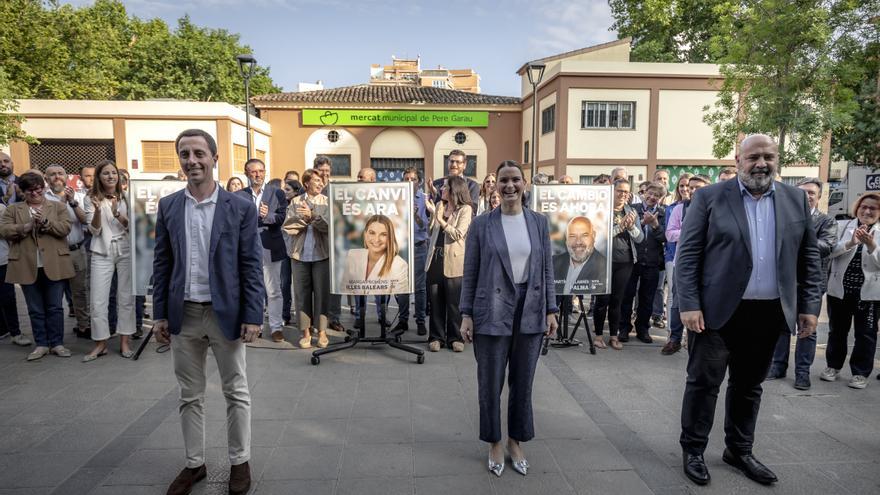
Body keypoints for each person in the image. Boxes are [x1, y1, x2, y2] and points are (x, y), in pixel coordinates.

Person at [676, 134, 821, 487]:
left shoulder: (794, 199)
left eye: (768, 157)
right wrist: (689, 304)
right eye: (754, 156)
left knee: (749, 386)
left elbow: (809, 256)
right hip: (715, 314)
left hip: (769, 313)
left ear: (776, 159)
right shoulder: (710, 197)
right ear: (738, 159)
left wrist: (809, 307)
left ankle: (739, 450)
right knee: (704, 384)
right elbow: (689, 254)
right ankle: (693, 450)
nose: (761, 163)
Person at [152, 129, 264, 495]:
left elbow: (250, 265)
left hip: (225, 313)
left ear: (215, 158)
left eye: (199, 153)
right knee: (190, 394)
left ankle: (240, 461)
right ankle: (194, 464)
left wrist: (253, 314)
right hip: (183, 313)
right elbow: (162, 263)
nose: (192, 160)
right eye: (185, 154)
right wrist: (159, 315)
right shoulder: (169, 206)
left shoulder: (240, 207)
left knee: (236, 390)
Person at [460, 160, 558, 477]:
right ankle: (494, 443)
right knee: (490, 383)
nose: (510, 186)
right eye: (503, 180)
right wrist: (466, 314)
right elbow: (470, 272)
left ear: (524, 183)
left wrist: (551, 309)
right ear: (495, 185)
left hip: (529, 309)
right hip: (491, 311)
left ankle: (516, 441)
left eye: (515, 179)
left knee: (523, 383)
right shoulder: (481, 224)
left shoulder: (540, 223)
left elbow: (546, 270)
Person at [768, 178, 837, 390]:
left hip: (810, 284)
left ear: (818, 197)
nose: (806, 196)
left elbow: (827, 246)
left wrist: (800, 238)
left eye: (811, 193)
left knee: (808, 329)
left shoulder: (826, 221)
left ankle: (802, 373)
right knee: (781, 326)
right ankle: (778, 366)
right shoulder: (785, 218)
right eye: (803, 192)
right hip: (785, 282)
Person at [0, 171, 74, 360]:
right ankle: (41, 344)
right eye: (30, 191)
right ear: (22, 191)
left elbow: (66, 228)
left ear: (44, 188)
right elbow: (4, 230)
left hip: (54, 263)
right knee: (34, 308)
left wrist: (46, 223)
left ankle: (57, 343)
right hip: (26, 263)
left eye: (38, 190)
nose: (34, 194)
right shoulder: (13, 209)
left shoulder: (57, 206)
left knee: (55, 307)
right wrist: (25, 227)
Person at [821, 192, 880, 390]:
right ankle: (833, 367)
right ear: (857, 208)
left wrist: (872, 245)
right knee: (837, 331)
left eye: (873, 208)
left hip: (869, 294)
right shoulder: (842, 226)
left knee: (866, 334)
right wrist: (851, 242)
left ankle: (860, 373)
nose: (867, 211)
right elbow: (829, 251)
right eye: (864, 206)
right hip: (840, 290)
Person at [82, 160, 136, 361]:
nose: (111, 176)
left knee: (126, 298)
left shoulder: (127, 197)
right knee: (98, 300)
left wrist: (117, 214)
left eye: (114, 173)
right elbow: (94, 230)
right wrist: (97, 211)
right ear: (99, 177)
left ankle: (124, 342)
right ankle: (101, 343)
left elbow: (134, 228)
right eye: (106, 173)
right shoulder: (90, 198)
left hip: (125, 248)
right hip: (101, 250)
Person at [236, 158, 288, 342]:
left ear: (265, 172)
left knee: (273, 290)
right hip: (247, 248)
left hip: (270, 247)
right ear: (246, 173)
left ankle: (275, 327)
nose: (258, 175)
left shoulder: (277, 193)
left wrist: (268, 216)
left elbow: (283, 217)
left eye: (261, 171)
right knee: (250, 288)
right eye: (253, 172)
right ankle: (254, 325)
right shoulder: (239, 195)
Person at [592, 179, 643, 350]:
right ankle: (598, 336)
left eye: (626, 192)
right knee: (602, 299)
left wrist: (630, 228)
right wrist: (620, 227)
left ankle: (614, 335)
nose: (623, 194)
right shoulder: (601, 211)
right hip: (604, 260)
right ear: (611, 192)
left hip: (625, 261)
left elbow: (640, 238)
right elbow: (598, 237)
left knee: (617, 300)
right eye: (619, 191)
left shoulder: (631, 211)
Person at [424, 175, 473, 352]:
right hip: (435, 259)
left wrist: (441, 221)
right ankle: (436, 337)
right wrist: (432, 216)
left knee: (454, 303)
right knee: (435, 301)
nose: (442, 190)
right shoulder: (440, 205)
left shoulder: (465, 209)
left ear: (454, 191)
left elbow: (459, 234)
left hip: (454, 260)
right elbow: (431, 230)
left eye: (445, 187)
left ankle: (455, 337)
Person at [283, 169, 330, 349]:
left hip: (322, 255)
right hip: (299, 255)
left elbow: (329, 227)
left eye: (321, 180)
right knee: (302, 294)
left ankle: (323, 332)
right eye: (316, 180)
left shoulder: (326, 202)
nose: (320, 183)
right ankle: (305, 333)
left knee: (322, 293)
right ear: (306, 184)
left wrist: (314, 217)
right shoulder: (295, 202)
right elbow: (288, 227)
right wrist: (304, 219)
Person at [662, 174, 709, 354]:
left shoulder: (715, 209)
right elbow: (670, 234)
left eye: (698, 187)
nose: (693, 190)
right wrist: (689, 232)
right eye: (691, 187)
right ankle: (674, 338)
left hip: (708, 264)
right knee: (678, 301)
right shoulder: (679, 209)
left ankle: (697, 340)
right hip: (683, 262)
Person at [44, 165, 90, 340]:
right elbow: (51, 222)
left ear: (66, 177)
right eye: (53, 175)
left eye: (60, 174)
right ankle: (55, 335)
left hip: (76, 250)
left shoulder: (79, 196)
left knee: (80, 291)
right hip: (54, 253)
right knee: (55, 295)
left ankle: (84, 326)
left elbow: (86, 220)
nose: (57, 177)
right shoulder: (42, 198)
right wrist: (63, 203)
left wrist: (72, 202)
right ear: (46, 178)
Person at [620, 181, 666, 343]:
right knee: (627, 295)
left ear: (661, 198)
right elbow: (626, 232)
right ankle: (624, 328)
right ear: (644, 193)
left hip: (652, 261)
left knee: (647, 298)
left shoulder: (663, 213)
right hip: (632, 260)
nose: (652, 197)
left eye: (657, 195)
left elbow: (665, 238)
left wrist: (655, 225)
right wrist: (641, 222)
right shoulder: (633, 210)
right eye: (650, 193)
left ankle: (642, 329)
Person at [314, 155, 345, 333]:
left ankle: (334, 317)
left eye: (327, 170)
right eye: (321, 171)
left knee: (336, 283)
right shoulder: (312, 186)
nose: (324, 174)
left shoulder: (336, 187)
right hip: (317, 241)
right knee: (317, 284)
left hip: (335, 241)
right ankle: (316, 319)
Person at [341, 214, 409, 294]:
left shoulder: (399, 265)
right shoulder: (353, 255)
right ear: (365, 234)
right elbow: (344, 290)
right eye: (372, 233)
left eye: (383, 234)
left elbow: (400, 303)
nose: (376, 239)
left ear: (390, 237)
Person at [397, 167, 429, 335]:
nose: (409, 181)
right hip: (401, 247)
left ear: (419, 182)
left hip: (419, 247)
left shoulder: (425, 199)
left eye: (413, 179)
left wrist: (416, 215)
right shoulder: (395, 199)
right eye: (406, 178)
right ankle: (402, 321)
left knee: (420, 287)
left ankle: (421, 321)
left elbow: (427, 226)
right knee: (401, 286)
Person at [552, 216, 607, 294]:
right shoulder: (553, 262)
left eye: (584, 235)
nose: (578, 242)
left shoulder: (604, 266)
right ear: (566, 238)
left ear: (593, 236)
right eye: (572, 236)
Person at [0, 202, 28, 346]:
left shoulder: (1, 208)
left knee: (8, 297)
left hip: (2, 260)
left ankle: (15, 333)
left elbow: (5, 231)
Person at [280, 179, 304, 326]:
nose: (284, 192)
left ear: (296, 191)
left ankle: (304, 317)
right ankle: (285, 314)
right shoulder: (281, 205)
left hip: (298, 250)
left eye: (288, 189)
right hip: (284, 249)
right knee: (284, 283)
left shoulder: (301, 205)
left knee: (300, 285)